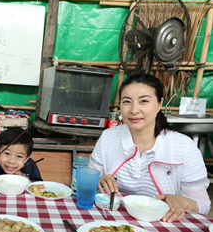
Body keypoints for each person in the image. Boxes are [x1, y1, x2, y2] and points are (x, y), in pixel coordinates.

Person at [90, 73, 211, 222]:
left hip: (164, 223)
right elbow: (90, 180)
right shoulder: (108, 137)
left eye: (144, 101)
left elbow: (203, 205)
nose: (134, 110)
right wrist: (99, 181)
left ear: (159, 104)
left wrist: (183, 201)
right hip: (112, 219)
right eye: (127, 101)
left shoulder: (184, 147)